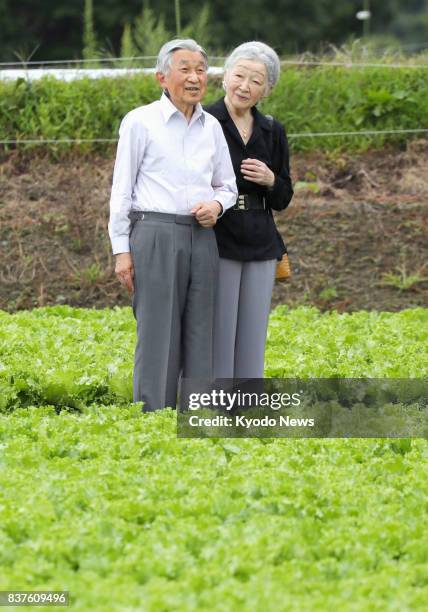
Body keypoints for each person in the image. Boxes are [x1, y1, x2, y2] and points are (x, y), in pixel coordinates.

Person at [108, 39, 237, 411]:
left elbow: (226, 185)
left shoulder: (211, 126)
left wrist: (216, 205)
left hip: (203, 235)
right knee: (158, 333)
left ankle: (198, 415)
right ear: (162, 77)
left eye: (201, 70)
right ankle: (152, 416)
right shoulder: (140, 121)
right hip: (155, 233)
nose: (195, 77)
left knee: (201, 331)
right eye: (186, 69)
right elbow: (122, 190)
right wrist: (121, 251)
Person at [205, 41, 293, 380]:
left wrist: (271, 180)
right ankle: (216, 403)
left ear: (267, 89)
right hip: (218, 236)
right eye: (239, 75)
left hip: (260, 239)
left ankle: (250, 404)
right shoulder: (205, 121)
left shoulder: (272, 130)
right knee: (220, 328)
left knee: (254, 329)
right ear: (225, 77)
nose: (245, 85)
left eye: (256, 80)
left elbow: (284, 197)